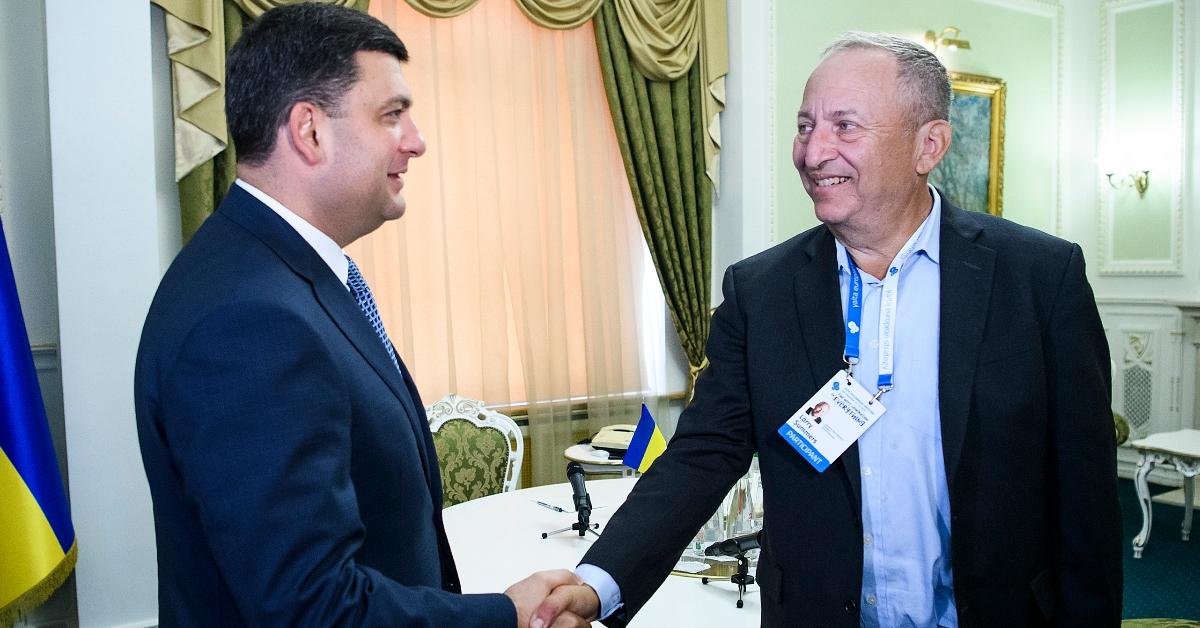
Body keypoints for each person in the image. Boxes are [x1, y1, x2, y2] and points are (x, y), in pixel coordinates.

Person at [532, 32, 1122, 627]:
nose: (813, 153)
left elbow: (1086, 495)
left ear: (929, 145)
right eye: (805, 126)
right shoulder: (760, 293)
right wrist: (597, 584)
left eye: (845, 126)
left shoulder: (1040, 279)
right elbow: (701, 457)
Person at [134, 5, 586, 626]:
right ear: (310, 131)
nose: (416, 141)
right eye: (391, 114)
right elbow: (311, 607)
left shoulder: (279, 273)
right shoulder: (251, 320)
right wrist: (502, 617)